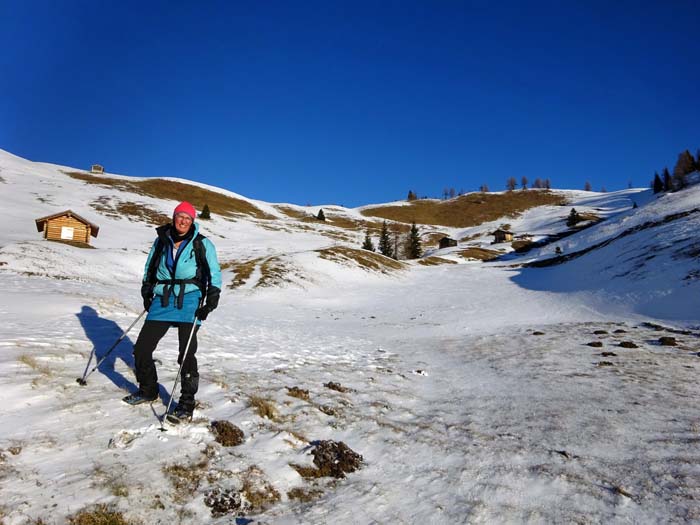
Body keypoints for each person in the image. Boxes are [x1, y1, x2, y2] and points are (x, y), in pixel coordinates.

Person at [123, 201, 222, 422]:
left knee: (186, 353)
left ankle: (186, 403)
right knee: (141, 349)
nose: (183, 221)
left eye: (188, 218)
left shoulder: (202, 244)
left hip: (189, 298)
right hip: (163, 297)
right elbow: (150, 268)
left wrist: (211, 300)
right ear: (174, 217)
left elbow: (214, 272)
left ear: (192, 221)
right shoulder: (161, 241)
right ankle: (149, 390)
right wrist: (147, 291)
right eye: (180, 216)